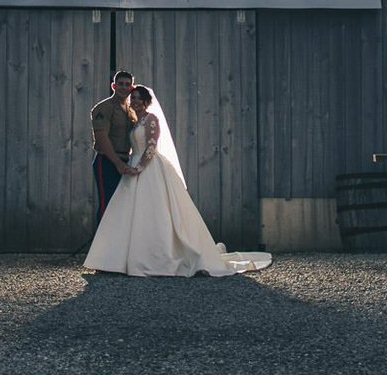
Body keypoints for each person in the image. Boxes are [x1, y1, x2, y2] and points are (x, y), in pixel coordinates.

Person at [83, 84, 272, 277]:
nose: (136, 101)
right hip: (132, 168)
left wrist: (138, 168)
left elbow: (151, 147)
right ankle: (115, 260)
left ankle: (156, 257)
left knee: (155, 212)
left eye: (139, 98)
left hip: (149, 169)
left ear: (147, 101)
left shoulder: (151, 119)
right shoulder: (134, 121)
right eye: (134, 98)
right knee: (125, 213)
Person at [89, 69, 136, 224]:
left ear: (131, 88)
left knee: (122, 206)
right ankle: (100, 246)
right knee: (107, 205)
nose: (124, 87)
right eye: (120, 84)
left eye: (127, 85)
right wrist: (117, 163)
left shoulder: (131, 110)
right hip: (107, 162)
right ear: (113, 86)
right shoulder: (104, 108)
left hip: (125, 161)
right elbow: (102, 139)